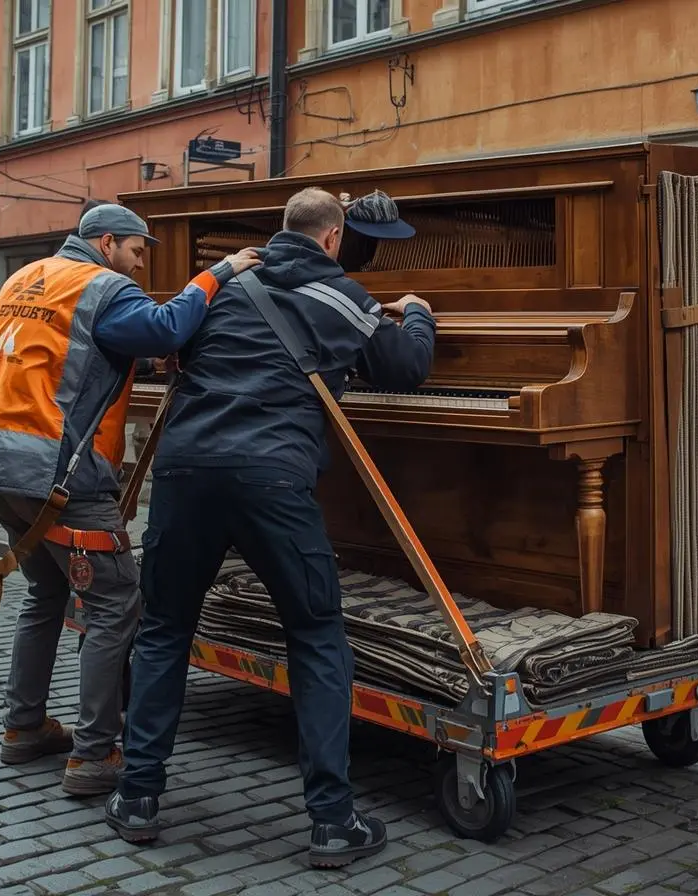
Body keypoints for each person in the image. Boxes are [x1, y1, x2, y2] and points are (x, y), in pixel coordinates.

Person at [106, 186, 436, 867]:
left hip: (185, 469)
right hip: (271, 478)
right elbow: (406, 367)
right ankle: (331, 821)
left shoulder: (225, 281)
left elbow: (172, 349)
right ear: (333, 238)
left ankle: (137, 797)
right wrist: (420, 316)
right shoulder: (343, 294)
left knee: (165, 628)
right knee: (315, 635)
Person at [0, 202, 260, 796]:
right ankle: (95, 754)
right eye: (138, 251)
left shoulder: (28, 276)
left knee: (46, 591)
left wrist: (141, 358)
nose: (141, 264)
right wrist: (218, 273)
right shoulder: (104, 285)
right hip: (57, 472)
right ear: (108, 243)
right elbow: (167, 326)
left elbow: (71, 354)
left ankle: (24, 728)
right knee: (116, 602)